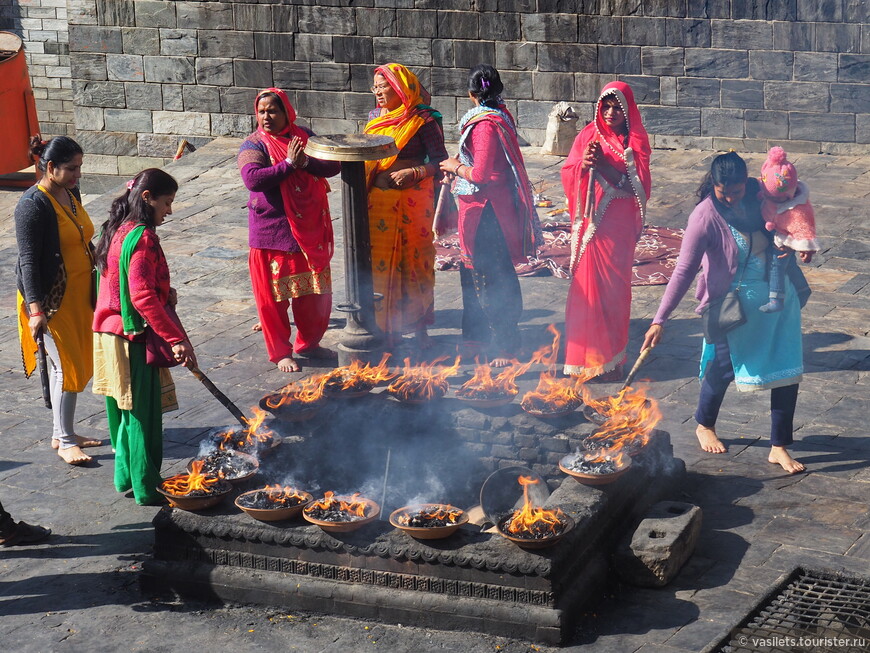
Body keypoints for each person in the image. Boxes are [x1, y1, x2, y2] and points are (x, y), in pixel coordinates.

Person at [641, 152, 809, 474]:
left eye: (736, 191)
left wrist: (793, 246)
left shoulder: (760, 196)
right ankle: (704, 423)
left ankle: (779, 446)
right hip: (733, 307)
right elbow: (683, 270)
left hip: (778, 301)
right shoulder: (704, 217)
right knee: (722, 368)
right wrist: (659, 319)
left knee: (787, 370)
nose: (731, 198)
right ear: (713, 185)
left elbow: (791, 220)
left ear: (747, 182)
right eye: (723, 192)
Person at [92, 168, 197, 506]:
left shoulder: (116, 229)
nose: (169, 210)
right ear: (148, 198)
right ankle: (147, 486)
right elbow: (141, 296)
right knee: (142, 415)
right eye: (167, 203)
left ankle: (125, 475)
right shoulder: (143, 237)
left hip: (107, 334)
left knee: (120, 412)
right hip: (132, 338)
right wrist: (176, 338)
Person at [439, 64, 540, 368]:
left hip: (486, 211)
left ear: (471, 94)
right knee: (476, 273)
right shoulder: (501, 115)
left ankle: (505, 344)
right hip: (487, 207)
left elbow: (481, 173)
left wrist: (454, 167)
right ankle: (477, 337)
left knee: (492, 276)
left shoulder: (483, 125)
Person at [238, 88, 341, 373]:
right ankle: (281, 352)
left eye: (272, 110)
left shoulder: (303, 137)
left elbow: (333, 164)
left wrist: (304, 162)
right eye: (261, 111)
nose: (266, 117)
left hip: (309, 229)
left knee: (313, 297)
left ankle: (309, 344)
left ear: (286, 112)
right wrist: (287, 165)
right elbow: (253, 179)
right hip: (272, 233)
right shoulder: (254, 144)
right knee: (273, 301)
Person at [15, 136, 101, 466]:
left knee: (70, 362)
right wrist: (35, 310)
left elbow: (81, 235)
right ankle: (65, 441)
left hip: (79, 296)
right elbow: (28, 261)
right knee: (65, 365)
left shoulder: (69, 192)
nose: (78, 174)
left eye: (80, 167)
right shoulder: (32, 205)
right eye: (72, 168)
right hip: (51, 300)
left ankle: (61, 431)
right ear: (50, 168)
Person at [560, 81, 651, 381]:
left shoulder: (634, 141)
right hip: (592, 227)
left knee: (613, 293)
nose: (610, 113)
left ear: (627, 111)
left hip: (618, 228)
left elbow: (636, 188)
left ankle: (610, 361)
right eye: (606, 106)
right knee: (587, 292)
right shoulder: (588, 134)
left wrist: (604, 168)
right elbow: (569, 171)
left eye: (617, 108)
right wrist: (584, 166)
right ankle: (583, 360)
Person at [364, 63, 448, 350]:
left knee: (415, 263)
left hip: (414, 201)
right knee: (381, 266)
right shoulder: (375, 117)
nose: (376, 91)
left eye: (382, 85)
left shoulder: (424, 119)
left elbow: (440, 161)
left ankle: (420, 329)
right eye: (375, 86)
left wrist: (414, 173)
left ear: (400, 87)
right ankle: (386, 329)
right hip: (380, 203)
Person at [758, 146, 819, 313]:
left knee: (777, 264)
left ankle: (776, 297)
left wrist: (806, 249)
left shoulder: (798, 208)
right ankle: (802, 288)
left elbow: (804, 228)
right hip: (773, 234)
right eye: (771, 198)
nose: (776, 202)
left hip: (784, 238)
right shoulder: (765, 190)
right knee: (789, 265)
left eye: (781, 199)